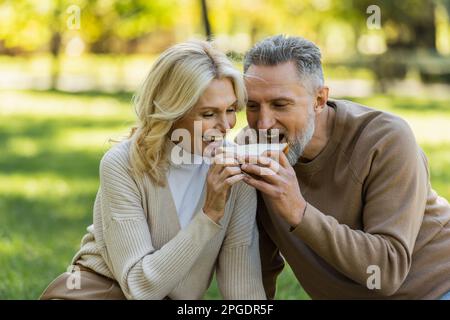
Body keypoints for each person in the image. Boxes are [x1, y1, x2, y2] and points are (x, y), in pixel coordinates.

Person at [40, 40, 266, 300]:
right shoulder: (123, 164)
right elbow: (141, 288)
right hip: (102, 290)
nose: (226, 125)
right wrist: (210, 214)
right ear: (172, 112)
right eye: (208, 114)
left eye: (230, 110)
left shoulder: (235, 170)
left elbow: (242, 284)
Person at [239, 34, 450, 299]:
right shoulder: (251, 150)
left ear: (319, 100)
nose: (263, 124)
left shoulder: (384, 139)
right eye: (252, 105)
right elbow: (259, 267)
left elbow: (385, 271)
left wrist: (298, 211)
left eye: (280, 105)